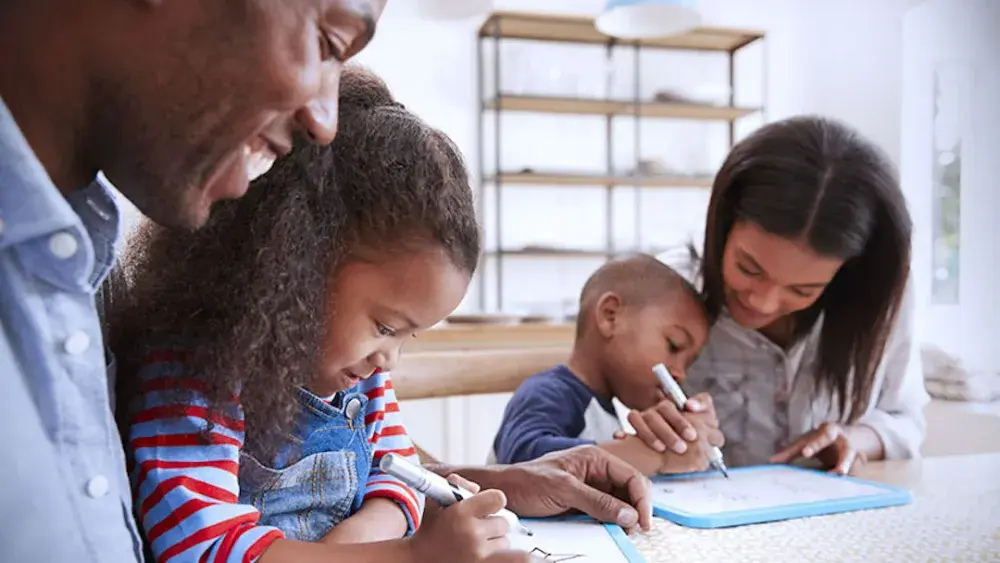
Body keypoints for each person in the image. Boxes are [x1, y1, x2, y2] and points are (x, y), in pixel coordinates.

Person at [0, 2, 649, 562]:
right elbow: (197, 545)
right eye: (329, 43)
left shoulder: (362, 379)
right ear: (292, 271)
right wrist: (403, 554)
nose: (321, 117)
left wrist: (406, 523)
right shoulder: (201, 366)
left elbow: (396, 475)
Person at [625, 116, 929, 476]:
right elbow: (605, 423)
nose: (763, 303)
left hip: (831, 514)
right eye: (748, 269)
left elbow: (906, 420)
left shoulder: (878, 296)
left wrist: (854, 438)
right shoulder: (667, 291)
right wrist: (652, 433)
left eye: (803, 290)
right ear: (723, 225)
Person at [491, 255, 723, 476]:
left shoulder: (604, 409)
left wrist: (679, 443)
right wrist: (652, 457)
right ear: (610, 316)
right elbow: (519, 464)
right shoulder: (548, 392)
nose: (680, 373)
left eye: (689, 362)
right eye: (674, 345)